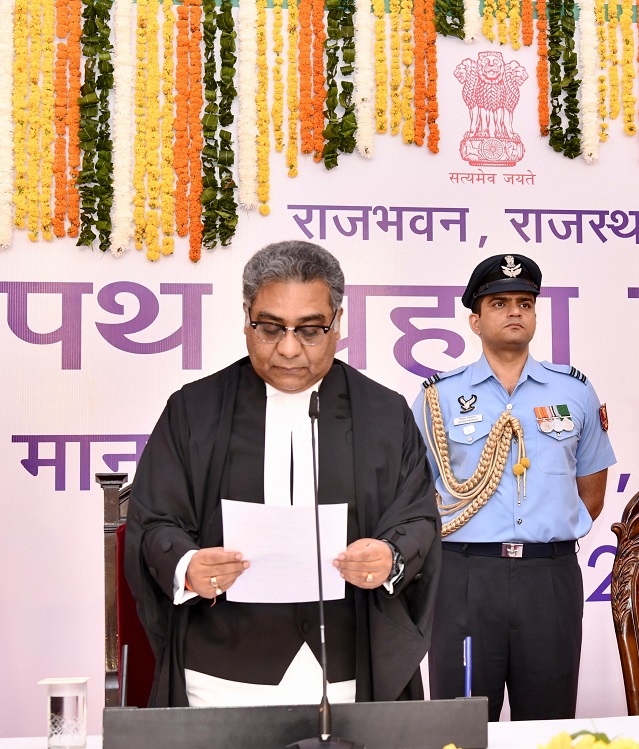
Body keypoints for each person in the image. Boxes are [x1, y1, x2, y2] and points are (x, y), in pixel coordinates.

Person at [125, 240, 440, 707]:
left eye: (310, 330)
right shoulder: (193, 410)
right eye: (271, 328)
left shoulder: (385, 413)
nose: (289, 349)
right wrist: (189, 566)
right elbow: (153, 522)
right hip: (219, 677)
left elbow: (418, 519)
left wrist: (389, 557)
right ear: (246, 318)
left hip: (353, 672)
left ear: (337, 324)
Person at [412, 253, 616, 721]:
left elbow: (592, 491)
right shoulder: (438, 396)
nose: (514, 312)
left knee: (548, 725)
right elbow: (417, 494)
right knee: (458, 726)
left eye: (525, 303)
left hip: (548, 577)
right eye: (499, 303)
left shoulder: (574, 391)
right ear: (475, 320)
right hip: (464, 576)